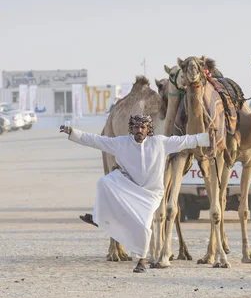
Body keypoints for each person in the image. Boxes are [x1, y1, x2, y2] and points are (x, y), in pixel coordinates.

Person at [60, 114, 212, 273]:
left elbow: (187, 140)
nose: (139, 130)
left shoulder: (160, 142)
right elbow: (95, 140)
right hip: (128, 186)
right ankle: (99, 218)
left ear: (148, 129)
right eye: (136, 127)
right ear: (131, 128)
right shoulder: (121, 143)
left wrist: (208, 137)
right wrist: (72, 132)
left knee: (144, 225)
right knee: (104, 182)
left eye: (143, 127)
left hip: (151, 194)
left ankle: (142, 260)